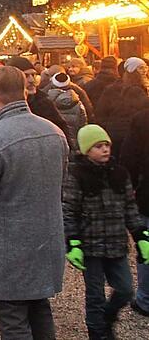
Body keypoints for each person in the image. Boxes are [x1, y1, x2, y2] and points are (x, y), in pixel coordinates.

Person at [0, 66, 68, 339]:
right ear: (25, 91)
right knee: (39, 309)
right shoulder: (55, 132)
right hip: (46, 241)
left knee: (12, 319)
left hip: (8, 245)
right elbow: (62, 188)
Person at [64, 124, 148, 339]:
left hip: (116, 244)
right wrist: (73, 242)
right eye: (98, 146)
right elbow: (69, 210)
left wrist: (140, 235)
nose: (105, 150)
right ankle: (98, 332)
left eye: (107, 145)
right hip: (90, 247)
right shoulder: (76, 176)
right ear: (85, 150)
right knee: (95, 294)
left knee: (125, 289)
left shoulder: (119, 173)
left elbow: (130, 206)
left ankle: (107, 317)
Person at [122, 106, 149, 317]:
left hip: (147, 194)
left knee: (146, 246)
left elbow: (129, 157)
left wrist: (128, 185)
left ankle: (145, 299)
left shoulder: (142, 117)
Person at [94, 56, 149, 156]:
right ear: (132, 71)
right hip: (128, 134)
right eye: (141, 68)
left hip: (118, 133)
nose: (144, 71)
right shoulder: (135, 91)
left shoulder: (116, 88)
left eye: (145, 68)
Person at [47, 72, 88, 151]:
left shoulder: (45, 101)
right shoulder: (78, 101)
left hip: (54, 142)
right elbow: (83, 123)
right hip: (74, 142)